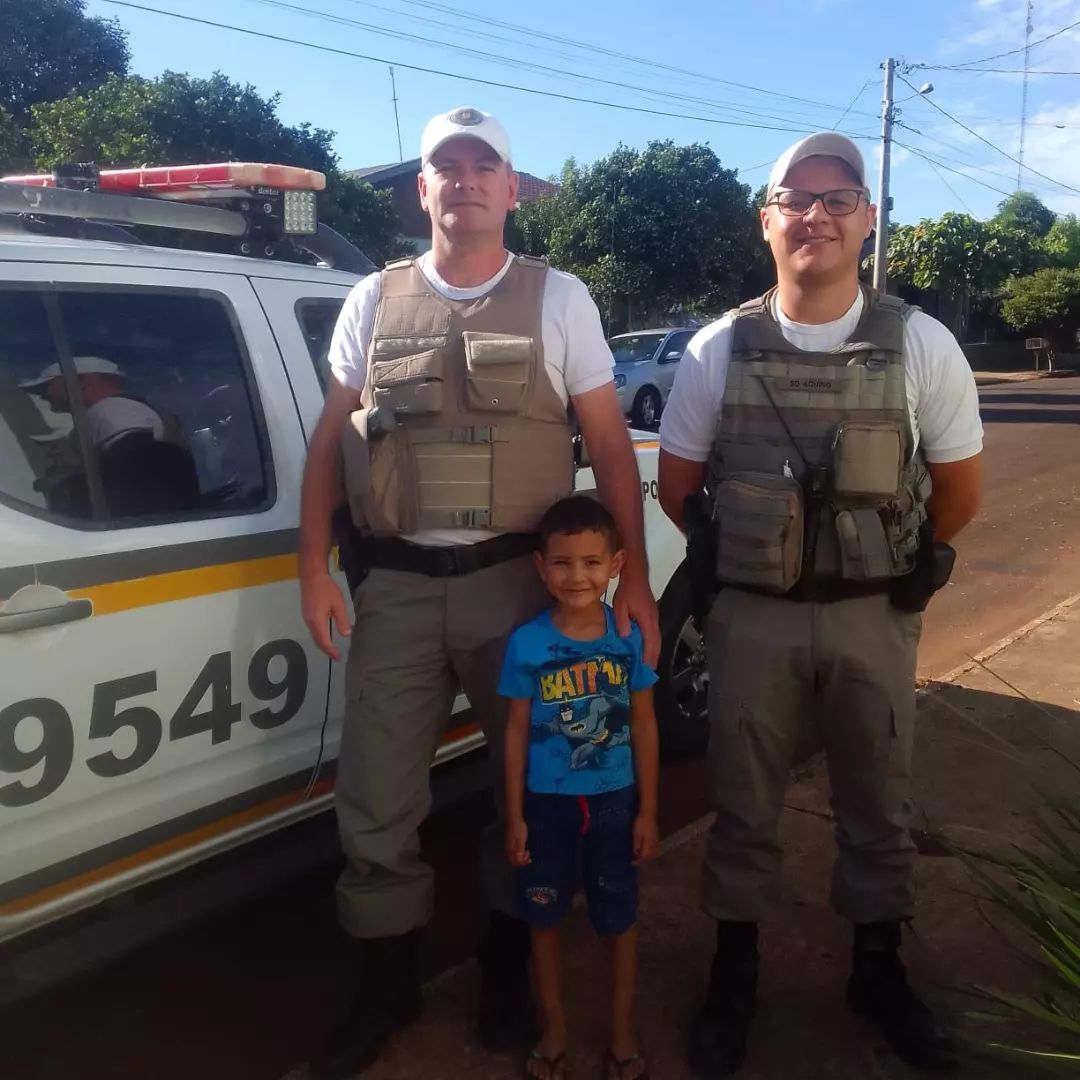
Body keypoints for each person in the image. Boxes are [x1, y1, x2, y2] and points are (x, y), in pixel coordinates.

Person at [299, 106, 659, 1079]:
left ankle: (506, 966)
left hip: (521, 594)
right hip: (401, 591)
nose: (462, 180)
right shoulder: (373, 299)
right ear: (422, 191)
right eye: (443, 167)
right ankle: (388, 986)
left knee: (534, 785)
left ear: (510, 188)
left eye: (482, 165)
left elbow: (612, 446)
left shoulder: (560, 300)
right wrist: (313, 569)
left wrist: (637, 588)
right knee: (376, 793)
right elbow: (332, 440)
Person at [657, 132, 983, 1076]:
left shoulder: (920, 342)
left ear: (868, 218)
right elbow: (680, 485)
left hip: (873, 614)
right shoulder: (719, 347)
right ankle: (735, 971)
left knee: (879, 800)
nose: (817, 216)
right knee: (741, 801)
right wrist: (738, 565)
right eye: (796, 199)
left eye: (840, 199)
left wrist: (911, 568)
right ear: (767, 221)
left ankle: (876, 970)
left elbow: (958, 490)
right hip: (751, 617)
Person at [500, 495, 659, 1080]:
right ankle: (555, 1031)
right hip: (545, 809)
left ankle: (621, 1033)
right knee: (543, 919)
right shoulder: (527, 645)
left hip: (616, 806)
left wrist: (649, 811)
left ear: (617, 564)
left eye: (592, 563)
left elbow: (645, 724)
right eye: (562, 563)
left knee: (617, 917)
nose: (577, 576)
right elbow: (516, 733)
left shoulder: (628, 641)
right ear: (541, 567)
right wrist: (514, 815)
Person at [21, 355, 197, 517]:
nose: (44, 396)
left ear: (80, 381)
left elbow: (138, 476)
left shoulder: (110, 410)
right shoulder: (122, 409)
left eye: (47, 386)